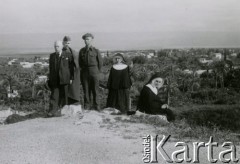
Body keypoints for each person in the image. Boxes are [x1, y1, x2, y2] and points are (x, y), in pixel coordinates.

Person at [47, 41, 75, 117]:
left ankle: (63, 111)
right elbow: (51, 68)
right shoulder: (52, 56)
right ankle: (52, 111)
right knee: (54, 96)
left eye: (58, 46)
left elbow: (71, 68)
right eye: (55, 46)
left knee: (64, 96)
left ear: (61, 47)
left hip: (64, 79)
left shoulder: (68, 55)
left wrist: (71, 78)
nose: (56, 48)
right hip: (55, 80)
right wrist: (49, 79)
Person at [79, 33, 103, 111]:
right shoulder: (82, 51)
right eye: (85, 39)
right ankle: (87, 105)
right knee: (86, 90)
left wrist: (96, 72)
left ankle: (97, 106)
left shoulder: (96, 51)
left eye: (88, 39)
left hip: (94, 72)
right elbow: (80, 63)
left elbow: (100, 63)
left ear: (91, 40)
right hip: (85, 72)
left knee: (95, 90)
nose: (86, 41)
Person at [62, 36, 81, 105]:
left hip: (73, 74)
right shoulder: (60, 52)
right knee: (65, 91)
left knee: (73, 91)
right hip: (63, 74)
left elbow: (76, 64)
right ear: (63, 43)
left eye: (68, 43)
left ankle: (74, 103)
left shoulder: (74, 52)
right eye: (66, 43)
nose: (67, 44)